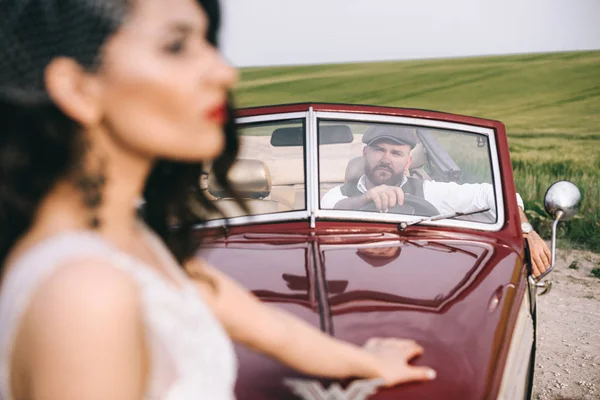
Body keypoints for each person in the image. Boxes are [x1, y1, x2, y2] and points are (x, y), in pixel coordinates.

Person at [0, 1, 436, 399]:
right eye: (176, 45)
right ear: (78, 88)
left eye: (207, 42)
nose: (225, 73)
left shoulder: (131, 241)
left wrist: (370, 362)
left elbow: (273, 330)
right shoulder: (86, 290)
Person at [321, 125, 551, 277]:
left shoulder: (428, 191)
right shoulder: (339, 195)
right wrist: (365, 198)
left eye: (396, 153)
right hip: (352, 271)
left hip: (416, 275)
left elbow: (494, 193)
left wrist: (526, 230)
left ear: (408, 161)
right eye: (379, 150)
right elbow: (329, 210)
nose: (385, 159)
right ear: (364, 154)